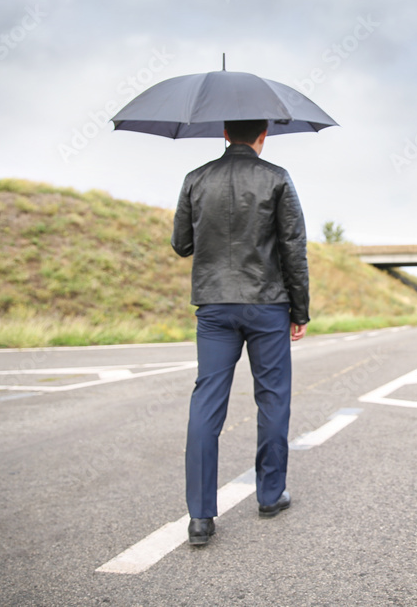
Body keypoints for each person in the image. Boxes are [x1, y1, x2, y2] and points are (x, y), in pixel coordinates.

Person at [171, 119, 310, 546]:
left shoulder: (196, 179)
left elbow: (181, 244)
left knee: (207, 402)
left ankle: (199, 517)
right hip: (268, 303)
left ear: (224, 134)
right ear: (262, 135)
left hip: (214, 305)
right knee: (272, 397)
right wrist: (299, 310)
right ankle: (269, 495)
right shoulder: (276, 178)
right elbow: (293, 247)